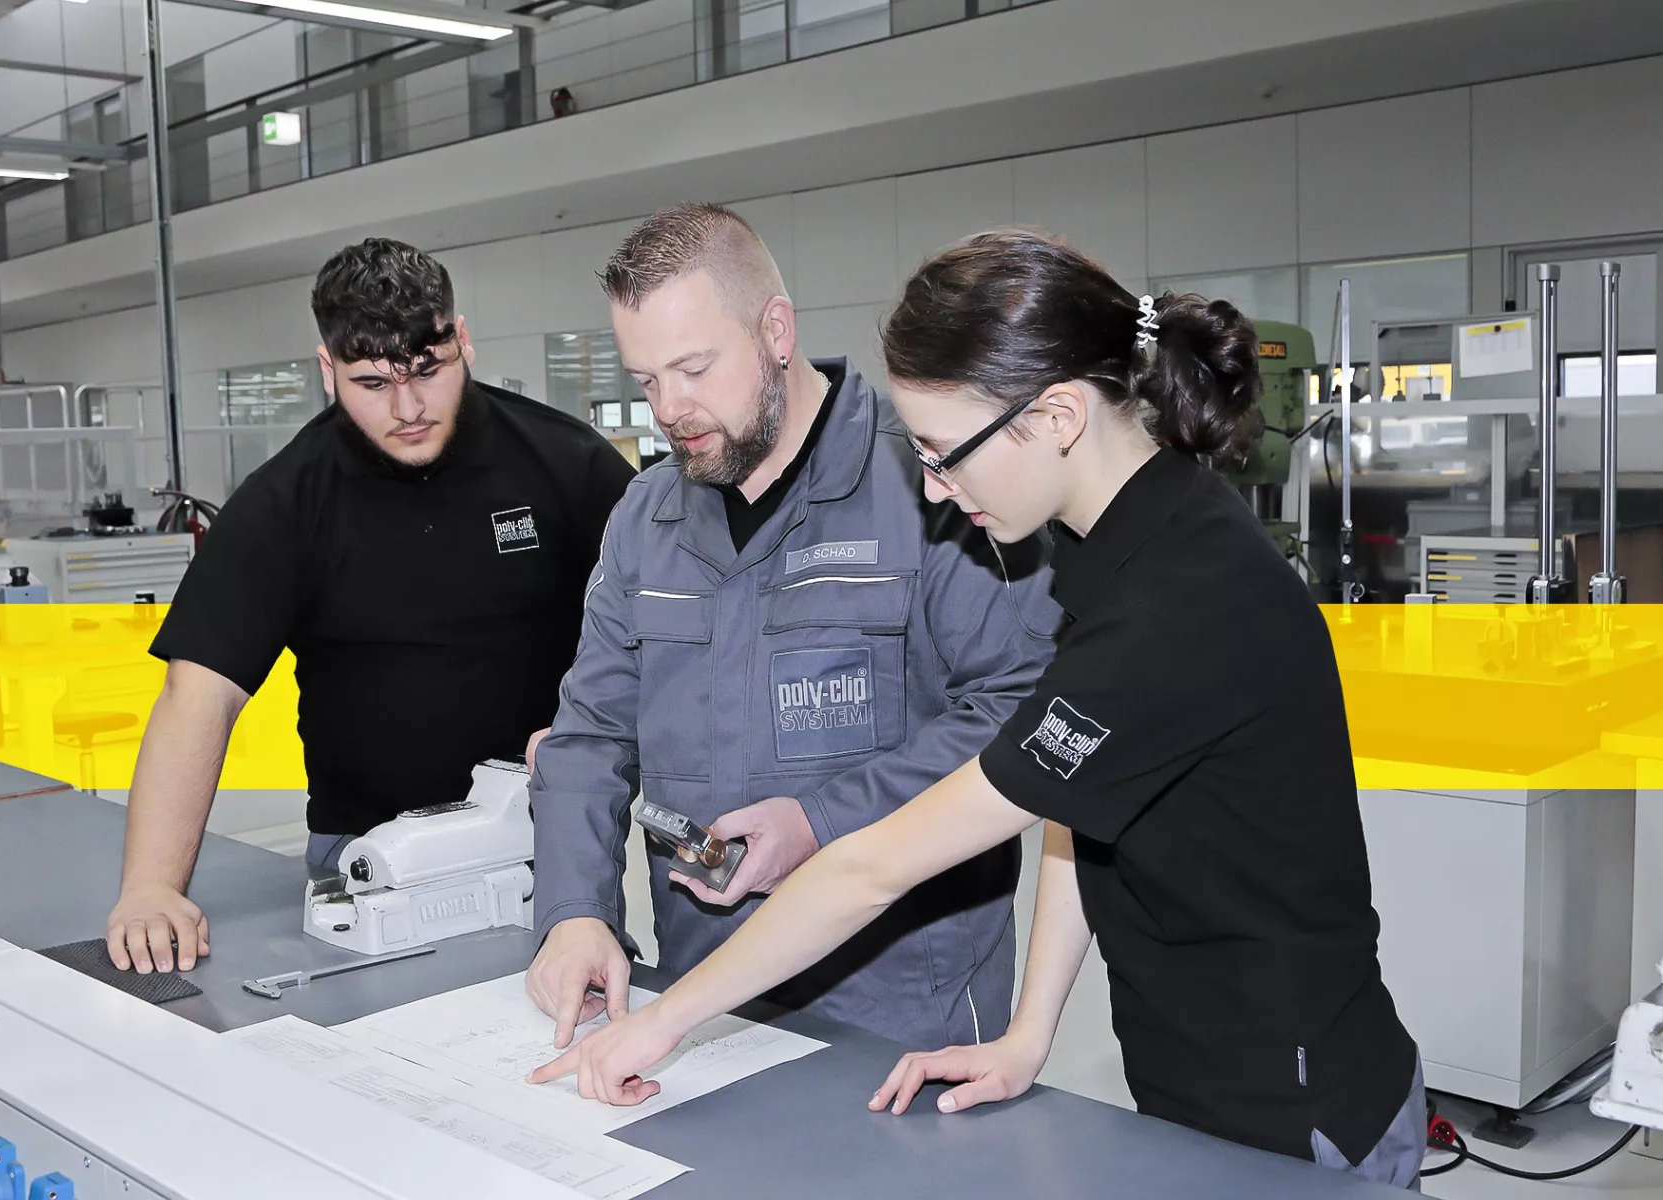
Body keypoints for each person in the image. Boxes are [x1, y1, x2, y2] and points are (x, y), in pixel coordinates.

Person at [531, 230, 1427, 1190]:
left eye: (941, 452)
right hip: (1188, 1074)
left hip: (1297, 1105)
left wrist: (663, 1022)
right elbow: (1087, 808)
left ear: (1055, 416)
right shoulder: (1113, 547)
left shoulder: (1179, 599)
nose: (928, 487)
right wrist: (1028, 1035)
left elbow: (874, 868)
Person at [525, 205, 1060, 1053]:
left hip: (897, 1002)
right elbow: (589, 735)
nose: (670, 407)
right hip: (702, 999)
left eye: (695, 367)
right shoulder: (645, 520)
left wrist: (822, 818)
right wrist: (574, 913)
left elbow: (1020, 709)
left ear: (776, 330)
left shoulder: (929, 485)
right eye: (646, 381)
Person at [106, 238, 636, 974]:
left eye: (428, 371)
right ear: (327, 372)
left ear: (463, 340)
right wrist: (151, 887)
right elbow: (198, 696)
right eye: (373, 382)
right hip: (364, 860)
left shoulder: (566, 463)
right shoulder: (283, 504)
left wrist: (609, 739)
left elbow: (665, 629)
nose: (409, 407)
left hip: (543, 844)